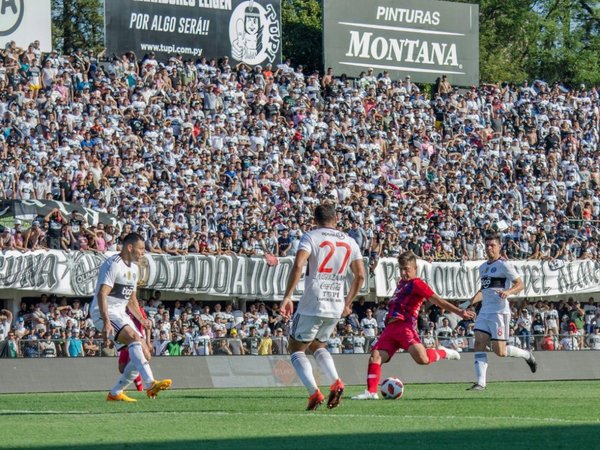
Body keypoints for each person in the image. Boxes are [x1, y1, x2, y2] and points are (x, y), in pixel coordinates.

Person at [352, 251, 474, 400]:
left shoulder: (418, 284)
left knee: (422, 359)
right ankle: (371, 392)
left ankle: (443, 352)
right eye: (401, 269)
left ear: (415, 268)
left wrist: (459, 312)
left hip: (405, 327)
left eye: (407, 269)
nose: (403, 273)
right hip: (390, 329)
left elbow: (437, 300)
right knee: (375, 357)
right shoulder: (402, 283)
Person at [280, 202, 366, 411]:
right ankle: (335, 380)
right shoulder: (350, 241)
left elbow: (299, 265)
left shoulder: (310, 237)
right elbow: (360, 275)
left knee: (296, 348)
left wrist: (288, 296)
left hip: (312, 301)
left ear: (315, 220)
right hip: (335, 304)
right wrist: (347, 303)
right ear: (336, 219)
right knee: (318, 345)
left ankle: (313, 392)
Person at [90, 233, 171, 402]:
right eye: (141, 248)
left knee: (145, 354)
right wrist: (105, 321)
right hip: (103, 312)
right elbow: (102, 294)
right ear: (129, 248)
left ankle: (115, 393)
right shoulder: (113, 264)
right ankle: (150, 384)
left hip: (121, 313)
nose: (143, 252)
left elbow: (131, 300)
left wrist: (142, 320)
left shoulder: (134, 269)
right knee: (134, 339)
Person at [464, 232, 537, 391]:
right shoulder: (483, 267)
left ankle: (527, 355)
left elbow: (520, 284)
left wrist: (508, 292)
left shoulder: (504, 265)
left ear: (499, 247)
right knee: (479, 342)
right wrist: (467, 304)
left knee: (500, 352)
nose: (489, 248)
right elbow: (483, 290)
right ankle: (481, 383)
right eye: (487, 245)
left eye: (493, 245)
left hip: (499, 312)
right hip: (485, 311)